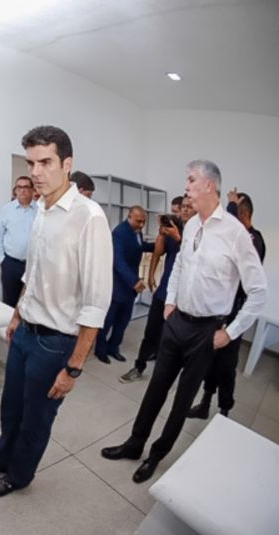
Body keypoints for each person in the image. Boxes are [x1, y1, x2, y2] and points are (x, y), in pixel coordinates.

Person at [101, 160, 267, 484]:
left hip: (206, 331)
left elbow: (259, 292)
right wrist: (171, 302)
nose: (186, 187)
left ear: (210, 185)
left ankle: (156, 454)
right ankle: (135, 443)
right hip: (177, 322)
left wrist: (230, 333)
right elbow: (179, 266)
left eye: (191, 180)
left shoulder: (235, 233)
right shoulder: (190, 226)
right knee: (156, 388)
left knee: (182, 400)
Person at [0, 126, 112, 497]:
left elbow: (96, 302)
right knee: (10, 406)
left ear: (67, 163)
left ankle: (19, 475)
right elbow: (32, 273)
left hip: (55, 342)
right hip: (25, 331)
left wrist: (74, 368)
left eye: (45, 162)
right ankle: (2, 458)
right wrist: (17, 314)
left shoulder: (88, 217)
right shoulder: (42, 210)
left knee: (36, 417)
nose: (36, 172)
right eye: (31, 163)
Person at [188, 192, 266, 418]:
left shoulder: (252, 239)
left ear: (244, 215)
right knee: (210, 359)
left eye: (233, 213)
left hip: (235, 311)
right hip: (219, 310)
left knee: (226, 364)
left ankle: (224, 410)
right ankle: (205, 404)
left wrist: (230, 204)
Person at [120, 196, 197, 382]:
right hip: (164, 292)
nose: (185, 210)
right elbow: (158, 251)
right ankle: (139, 366)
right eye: (183, 206)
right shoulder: (173, 229)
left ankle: (164, 374)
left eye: (189, 207)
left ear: (196, 209)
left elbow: (196, 259)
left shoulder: (199, 234)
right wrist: (162, 234)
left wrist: (178, 237)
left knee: (172, 338)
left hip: (183, 297)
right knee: (151, 332)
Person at [94, 206, 154, 363]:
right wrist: (134, 281)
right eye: (138, 221)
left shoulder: (137, 231)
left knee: (123, 321)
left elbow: (140, 246)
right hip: (117, 286)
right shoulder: (119, 233)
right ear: (130, 217)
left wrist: (158, 246)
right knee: (107, 321)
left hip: (129, 288)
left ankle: (113, 348)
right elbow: (118, 261)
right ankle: (100, 350)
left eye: (144, 221)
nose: (141, 225)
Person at [0, 176, 38, 307]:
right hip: (10, 264)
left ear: (32, 190)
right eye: (19, 187)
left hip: (32, 265)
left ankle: (25, 322)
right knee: (9, 303)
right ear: (15, 190)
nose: (22, 190)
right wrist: (2, 259)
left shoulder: (40, 210)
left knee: (30, 303)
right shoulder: (7, 209)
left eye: (26, 187)